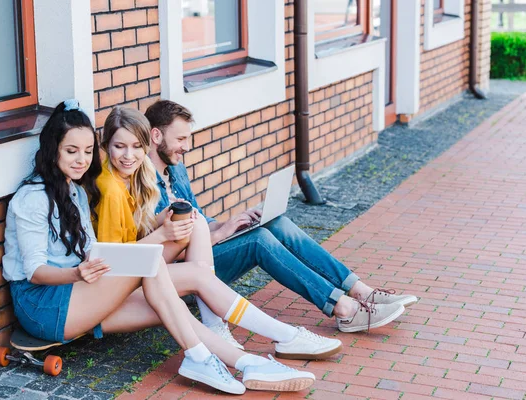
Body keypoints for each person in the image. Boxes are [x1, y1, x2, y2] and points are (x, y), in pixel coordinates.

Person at [1, 100, 313, 395]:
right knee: (149, 264)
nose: (81, 160)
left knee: (179, 302)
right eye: (71, 151)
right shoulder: (31, 198)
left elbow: (92, 248)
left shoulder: (75, 191)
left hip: (81, 293)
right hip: (43, 306)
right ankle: (235, 350)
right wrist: (79, 273)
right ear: (52, 149)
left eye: (86, 151)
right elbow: (35, 272)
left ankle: (249, 362)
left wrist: (104, 260)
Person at [145, 100, 418, 333]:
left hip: (208, 249)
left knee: (276, 222)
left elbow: (201, 222)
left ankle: (360, 290)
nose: (187, 147)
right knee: (258, 240)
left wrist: (230, 223)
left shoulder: (176, 170)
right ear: (156, 136)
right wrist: (220, 234)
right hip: (186, 271)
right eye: (181, 139)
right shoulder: (143, 187)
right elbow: (170, 250)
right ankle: (343, 308)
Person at [94, 106, 342, 363]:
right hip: (119, 285)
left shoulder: (136, 176)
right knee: (242, 249)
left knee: (207, 220)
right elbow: (117, 261)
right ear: (106, 146)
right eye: (120, 146)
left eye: (136, 147)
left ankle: (348, 290)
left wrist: (175, 220)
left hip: (147, 266)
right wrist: (163, 233)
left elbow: (135, 230)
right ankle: (287, 336)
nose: (129, 155)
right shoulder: (113, 189)